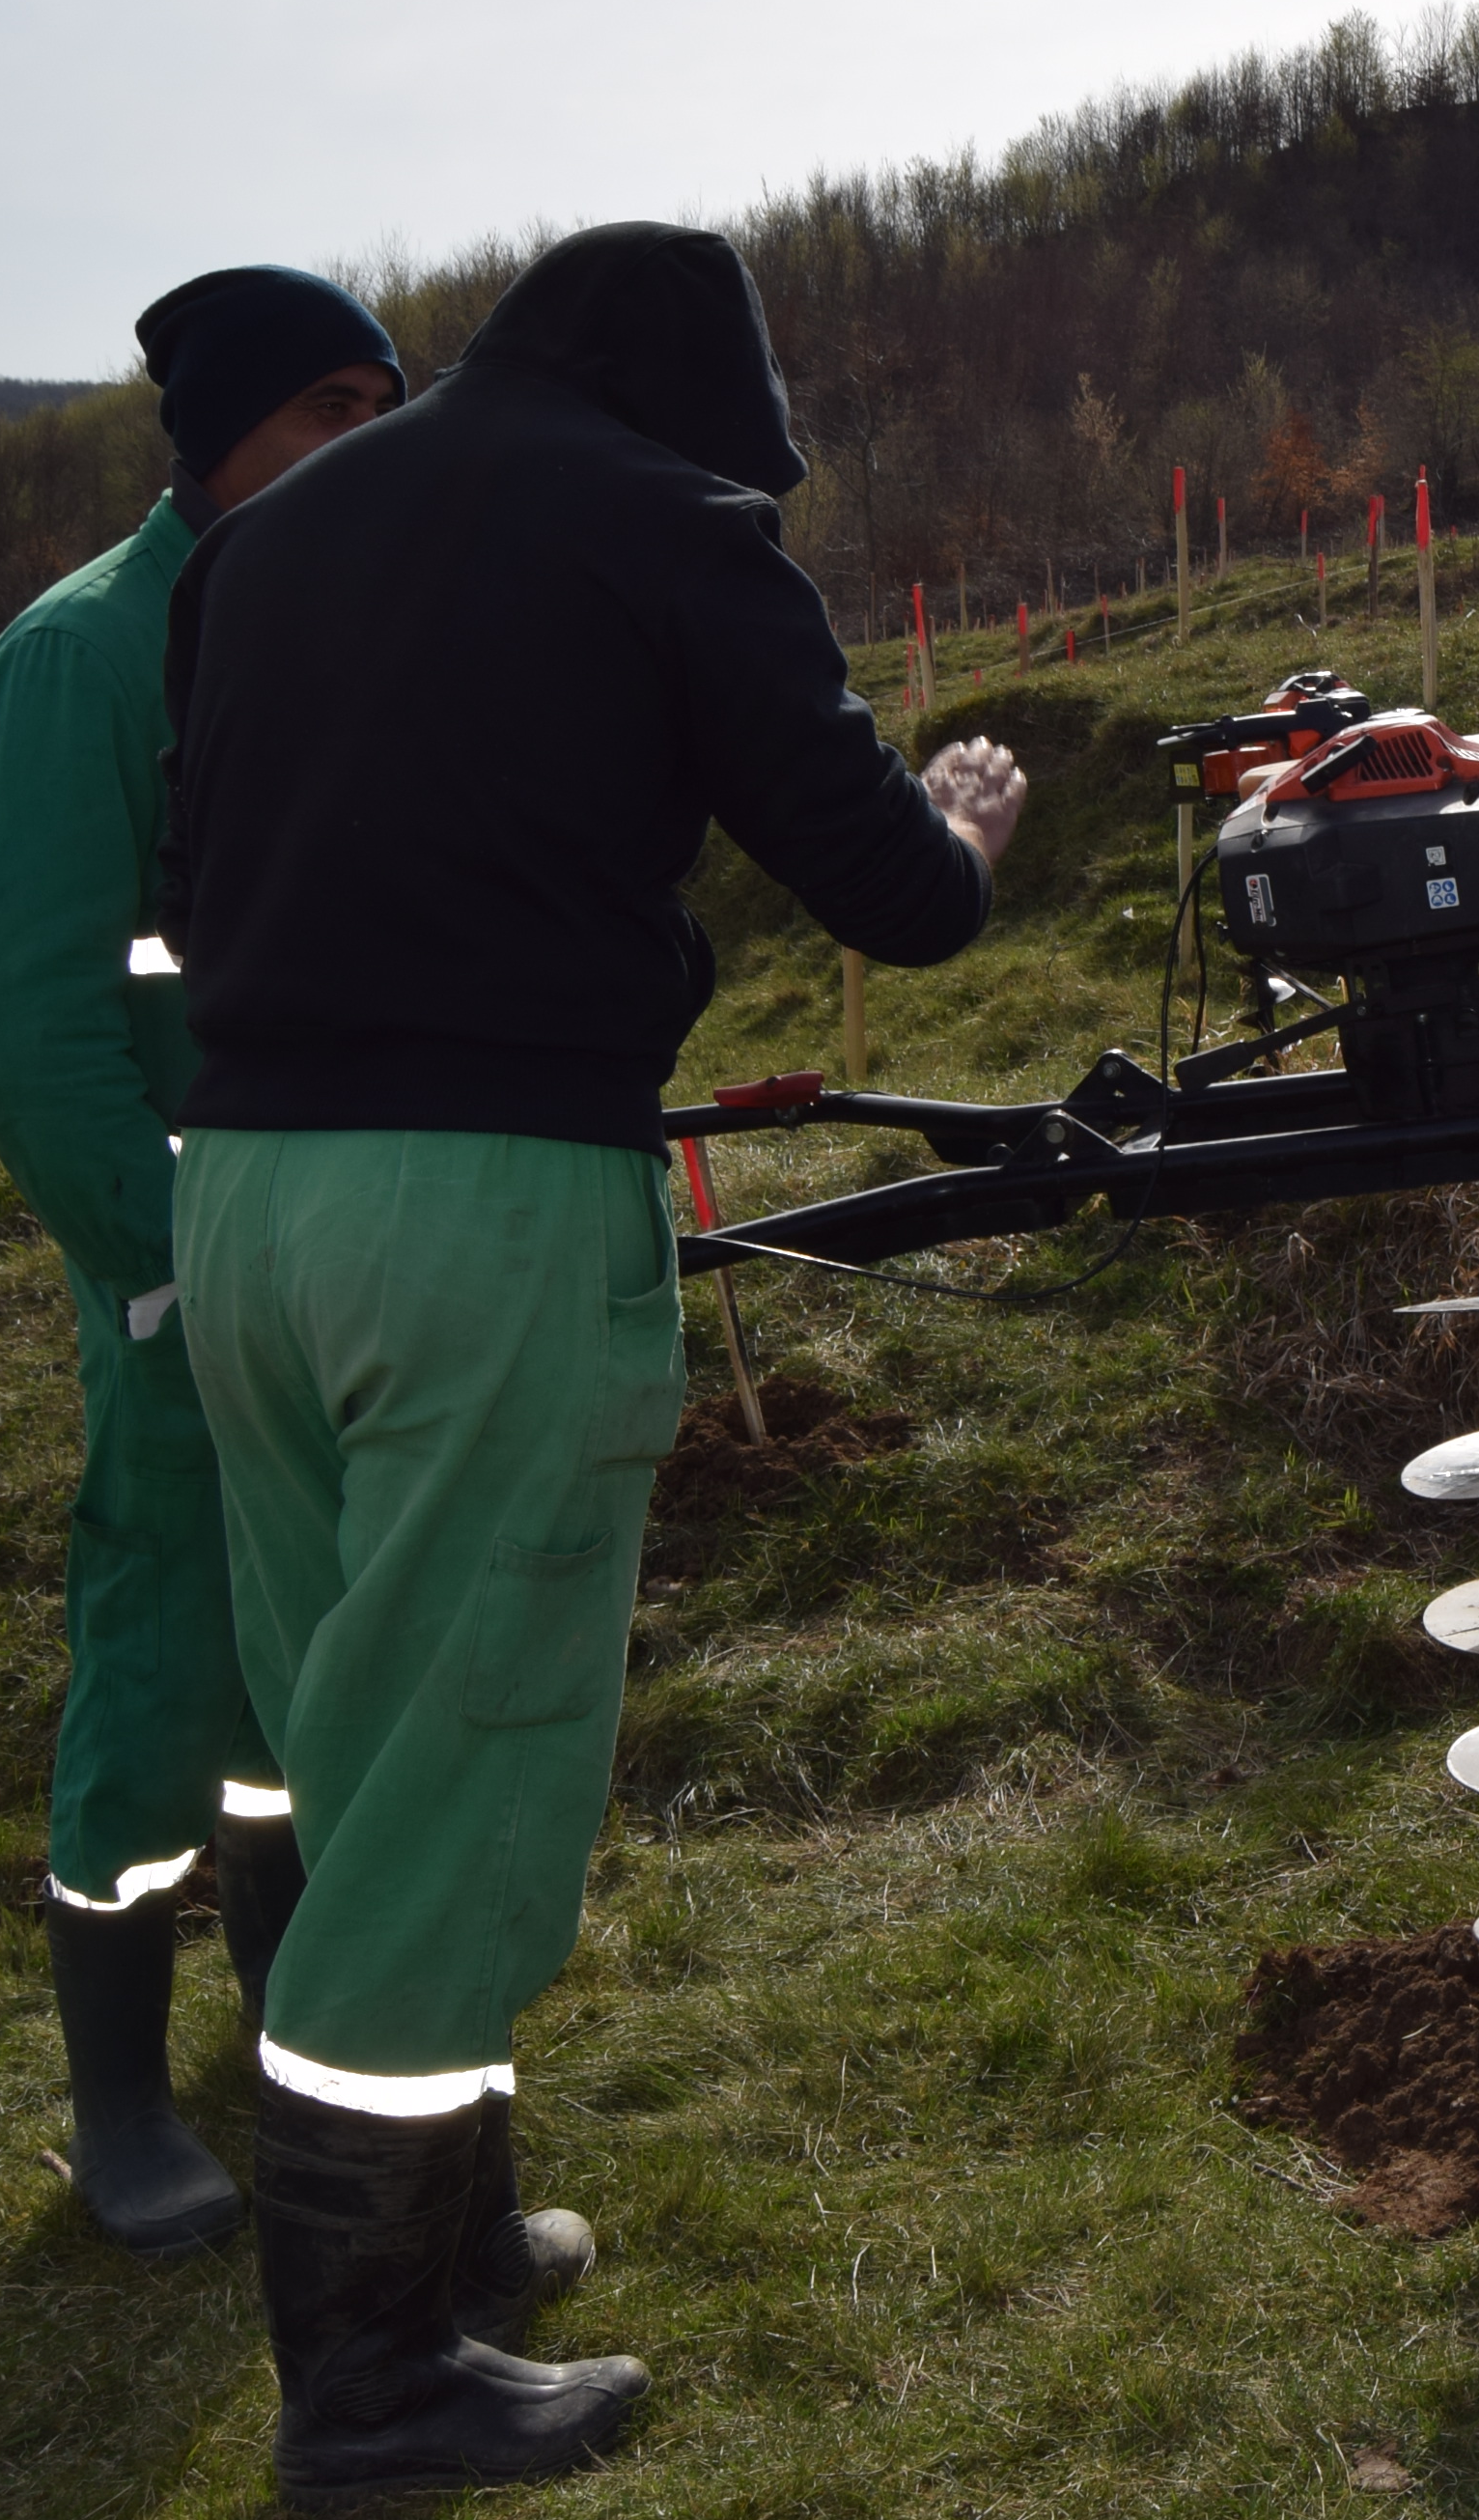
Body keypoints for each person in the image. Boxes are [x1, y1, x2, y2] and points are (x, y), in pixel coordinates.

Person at [159, 221, 1029, 2500]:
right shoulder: (666, 520)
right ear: (716, 401)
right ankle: (368, 2388)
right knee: (458, 1765)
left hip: (241, 1196)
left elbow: (200, 865)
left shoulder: (264, 543)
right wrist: (966, 823)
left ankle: (442, 2255)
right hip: (478, 1205)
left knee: (341, 1726)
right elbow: (892, 892)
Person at [0, 267, 404, 2262]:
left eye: (385, 408)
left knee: (311, 1656)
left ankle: (295, 2021)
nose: (365, 447)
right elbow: (24, 1017)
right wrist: (163, 1258)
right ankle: (121, 2108)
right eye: (323, 411)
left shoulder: (346, 625)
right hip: (182, 1271)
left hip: (342, 1242)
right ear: (217, 438)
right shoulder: (82, 656)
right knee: (165, 1653)